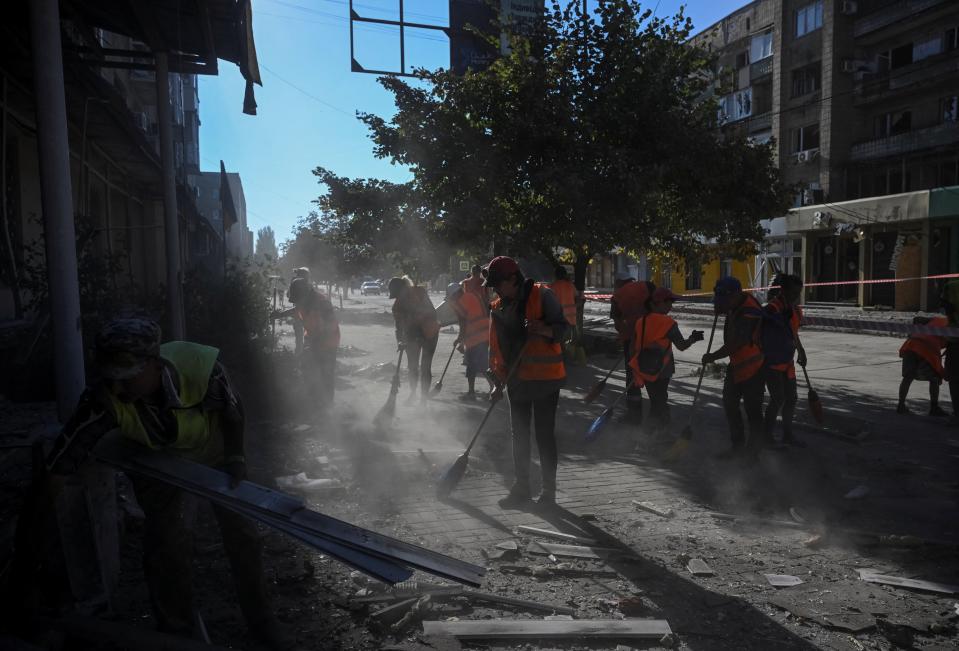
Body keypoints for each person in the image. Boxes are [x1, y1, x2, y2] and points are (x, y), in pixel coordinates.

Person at [37, 318, 290, 648]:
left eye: (126, 380)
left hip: (214, 458)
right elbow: (54, 473)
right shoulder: (102, 399)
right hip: (160, 460)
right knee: (165, 543)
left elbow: (234, 408)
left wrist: (236, 457)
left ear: (154, 365)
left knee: (243, 535)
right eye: (110, 379)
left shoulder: (203, 369)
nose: (117, 391)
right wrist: (27, 566)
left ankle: (261, 620)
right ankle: (176, 632)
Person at [485, 256, 567, 508]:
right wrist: (496, 383)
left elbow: (566, 331)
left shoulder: (543, 295)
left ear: (513, 279)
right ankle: (521, 489)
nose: (496, 290)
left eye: (499, 284)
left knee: (544, 435)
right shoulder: (498, 308)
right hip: (517, 382)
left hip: (545, 380)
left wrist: (543, 328)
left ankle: (549, 494)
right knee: (519, 435)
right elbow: (496, 350)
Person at [701, 277, 766, 461]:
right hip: (737, 366)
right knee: (730, 405)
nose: (723, 303)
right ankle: (737, 447)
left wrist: (712, 357)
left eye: (726, 300)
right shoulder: (734, 304)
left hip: (755, 367)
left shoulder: (750, 312)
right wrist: (721, 308)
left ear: (736, 294)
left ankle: (753, 454)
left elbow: (736, 343)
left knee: (753, 411)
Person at [629, 288, 704, 442]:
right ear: (658, 303)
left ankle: (655, 434)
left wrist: (635, 368)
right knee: (659, 403)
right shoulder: (668, 323)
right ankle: (653, 435)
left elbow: (633, 347)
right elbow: (682, 346)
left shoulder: (640, 321)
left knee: (657, 401)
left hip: (644, 368)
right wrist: (693, 338)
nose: (671, 305)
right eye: (669, 302)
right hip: (662, 370)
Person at [275, 278, 340, 411]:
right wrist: (279, 315)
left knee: (325, 374)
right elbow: (296, 309)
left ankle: (327, 408)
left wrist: (314, 346)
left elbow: (329, 327)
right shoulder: (304, 300)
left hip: (328, 343)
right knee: (308, 371)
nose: (297, 302)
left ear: (305, 294)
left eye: (298, 298)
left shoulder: (322, 303)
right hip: (312, 339)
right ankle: (314, 403)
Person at [762, 273, 808, 447]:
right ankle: (767, 437)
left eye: (798, 293)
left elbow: (793, 332)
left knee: (791, 398)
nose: (796, 297)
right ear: (783, 290)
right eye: (793, 293)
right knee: (778, 398)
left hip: (787, 362)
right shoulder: (772, 309)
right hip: (772, 361)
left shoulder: (796, 310)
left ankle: (787, 435)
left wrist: (801, 351)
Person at [610, 272, 655, 424]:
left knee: (632, 377)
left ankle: (634, 416)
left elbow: (618, 323)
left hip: (631, 341)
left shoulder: (616, 296)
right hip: (653, 339)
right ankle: (658, 418)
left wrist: (626, 336)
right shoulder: (647, 286)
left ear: (618, 283)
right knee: (654, 376)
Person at [389, 276, 440, 401]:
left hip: (430, 333)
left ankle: (423, 398)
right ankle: (413, 393)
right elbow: (398, 327)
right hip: (412, 336)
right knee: (412, 366)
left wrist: (419, 328)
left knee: (425, 367)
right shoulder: (396, 307)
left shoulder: (420, 292)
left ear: (402, 289)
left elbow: (432, 312)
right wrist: (400, 341)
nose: (398, 298)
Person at [898, 311, 949, 417]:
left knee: (907, 377)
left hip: (911, 345)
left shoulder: (940, 319)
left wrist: (913, 333)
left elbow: (917, 319)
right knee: (935, 378)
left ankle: (900, 405)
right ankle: (934, 408)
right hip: (928, 348)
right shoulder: (951, 324)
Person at [447, 282, 490, 400]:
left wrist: (459, 339)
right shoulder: (473, 295)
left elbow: (463, 323)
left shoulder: (460, 303)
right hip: (486, 333)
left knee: (471, 365)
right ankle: (493, 388)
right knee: (484, 364)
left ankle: (471, 392)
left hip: (474, 337)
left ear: (454, 295)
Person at [288, 267, 311, 355]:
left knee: (302, 336)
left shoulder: (298, 283)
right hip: (302, 314)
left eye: (297, 274)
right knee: (302, 335)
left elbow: (293, 300)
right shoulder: (306, 284)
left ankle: (301, 355)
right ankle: (301, 354)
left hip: (304, 314)